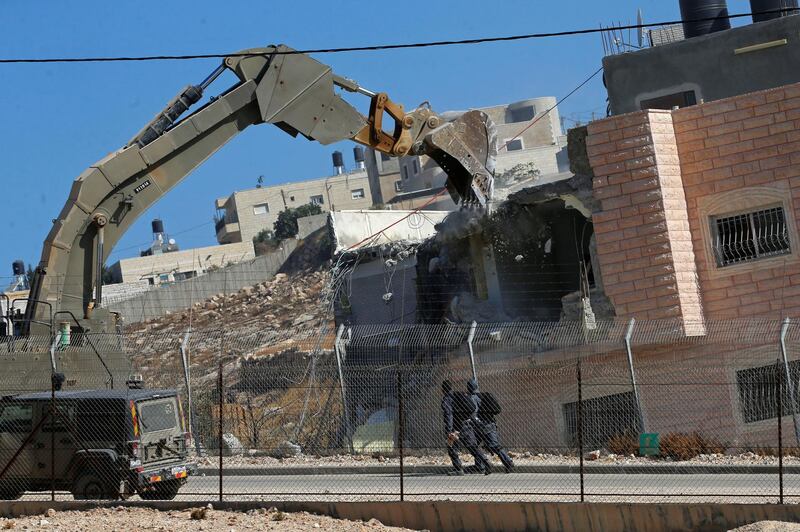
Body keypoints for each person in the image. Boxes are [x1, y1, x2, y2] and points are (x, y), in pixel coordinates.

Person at [441, 379, 490, 476]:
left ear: (443, 390)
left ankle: (458, 469)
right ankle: (485, 462)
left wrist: (449, 430)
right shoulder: (458, 396)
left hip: (456, 428)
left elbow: (449, 415)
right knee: (473, 447)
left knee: (452, 448)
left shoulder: (447, 399)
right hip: (467, 425)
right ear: (451, 388)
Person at [468, 377, 515, 473]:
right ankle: (481, 465)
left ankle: (506, 462)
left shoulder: (473, 398)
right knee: (493, 446)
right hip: (491, 423)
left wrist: (476, 422)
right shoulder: (483, 396)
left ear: (469, 388)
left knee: (476, 445)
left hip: (481, 426)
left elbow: (474, 412)